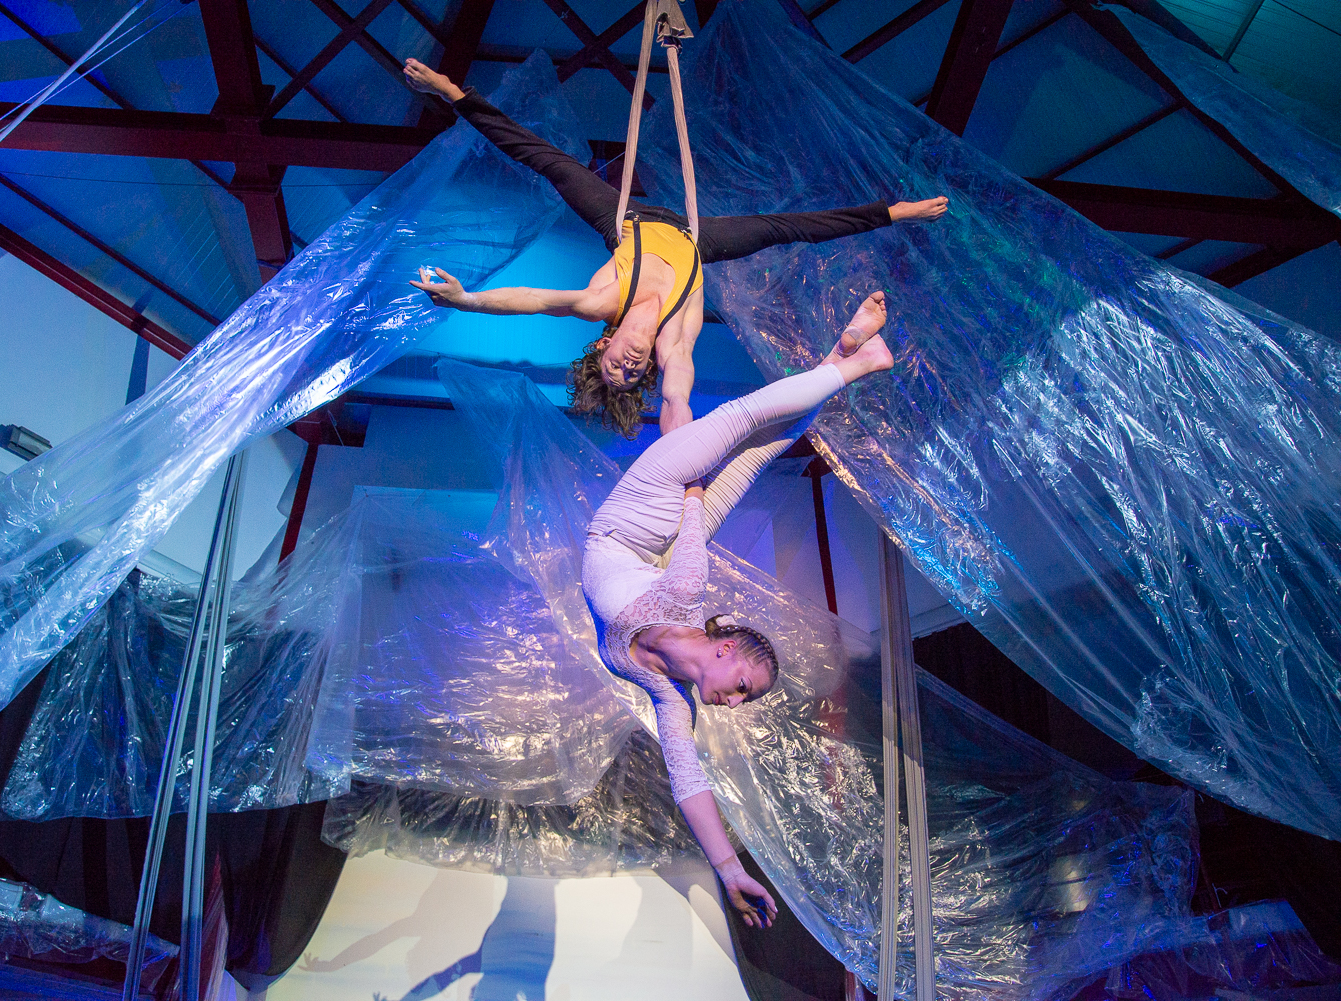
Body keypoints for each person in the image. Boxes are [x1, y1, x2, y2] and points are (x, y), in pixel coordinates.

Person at [402, 57, 946, 438]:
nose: (627, 368)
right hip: (694, 241)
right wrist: (676, 460)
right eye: (632, 377)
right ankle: (894, 212)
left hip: (626, 222)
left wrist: (466, 300)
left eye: (614, 369)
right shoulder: (674, 341)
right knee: (783, 227)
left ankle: (452, 91)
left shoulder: (600, 304)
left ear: (603, 346)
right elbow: (677, 397)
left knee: (552, 164)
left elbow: (533, 300)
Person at [581, 288, 895, 928]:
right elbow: (693, 518)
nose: (733, 702)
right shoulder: (685, 594)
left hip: (652, 540)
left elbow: (687, 778)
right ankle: (858, 364)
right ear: (726, 648)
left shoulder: (671, 696)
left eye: (742, 698)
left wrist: (728, 869)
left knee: (763, 447)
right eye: (743, 687)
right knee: (746, 421)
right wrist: (692, 472)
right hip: (656, 500)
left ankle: (840, 354)